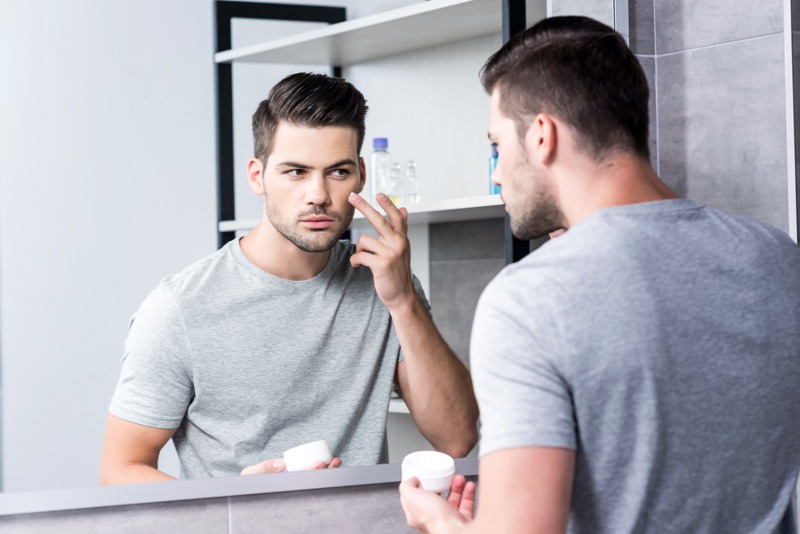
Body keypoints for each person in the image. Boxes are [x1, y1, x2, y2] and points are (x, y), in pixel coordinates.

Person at [399, 15, 800, 533]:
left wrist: (440, 521)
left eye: (497, 146)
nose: (497, 173)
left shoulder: (532, 299)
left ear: (541, 136)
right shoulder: (776, 257)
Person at [99, 72, 479, 483]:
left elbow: (456, 439)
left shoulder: (386, 284)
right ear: (256, 176)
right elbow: (120, 469)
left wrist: (403, 301)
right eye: (296, 171)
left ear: (361, 175)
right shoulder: (180, 308)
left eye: (337, 172)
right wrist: (232, 505)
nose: (318, 194)